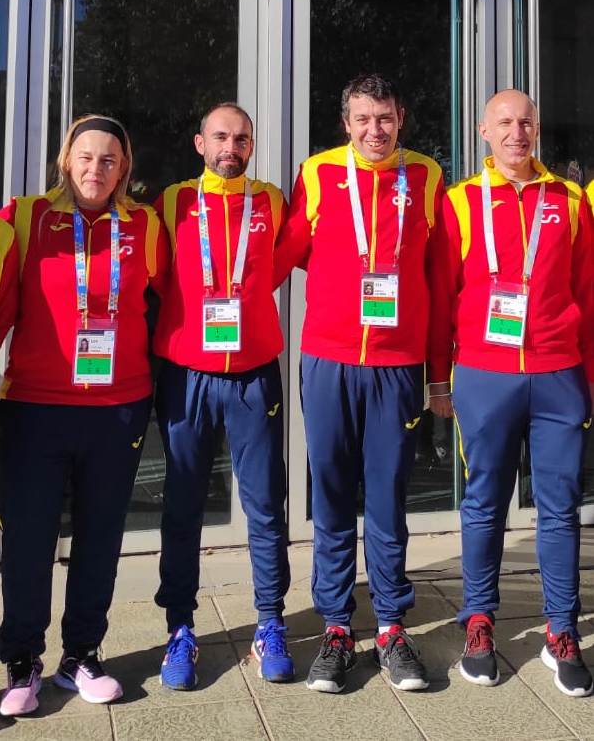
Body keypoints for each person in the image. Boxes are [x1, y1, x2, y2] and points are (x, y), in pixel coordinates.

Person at [273, 73, 444, 693]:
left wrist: (440, 373)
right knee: (334, 495)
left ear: (402, 118)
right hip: (328, 360)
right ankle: (338, 628)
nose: (375, 130)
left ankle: (394, 626)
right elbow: (282, 252)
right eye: (363, 119)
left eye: (386, 118)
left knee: (389, 495)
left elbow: (441, 275)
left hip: (397, 367)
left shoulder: (427, 176)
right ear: (346, 123)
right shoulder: (317, 173)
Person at [0, 114, 170, 716]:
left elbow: (175, 304)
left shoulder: (145, 225)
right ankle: (22, 662)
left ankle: (83, 655)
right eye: (86, 157)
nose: (96, 169)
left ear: (124, 169)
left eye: (110, 160)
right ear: (65, 160)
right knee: (27, 540)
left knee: (100, 537)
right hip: (34, 409)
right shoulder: (24, 217)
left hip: (117, 411)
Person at [429, 89, 594, 698]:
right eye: (505, 122)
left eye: (526, 123)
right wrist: (439, 378)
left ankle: (561, 629)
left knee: (560, 507)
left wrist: (590, 382)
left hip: (558, 375)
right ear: (483, 132)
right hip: (485, 375)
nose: (517, 133)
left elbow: (590, 294)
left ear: (538, 130)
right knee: (484, 502)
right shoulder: (459, 203)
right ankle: (479, 621)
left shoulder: (570, 201)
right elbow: (441, 296)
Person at [152, 102, 293, 689]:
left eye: (241, 138)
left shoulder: (274, 202)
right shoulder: (171, 201)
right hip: (186, 373)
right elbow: (154, 276)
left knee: (264, 503)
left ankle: (270, 622)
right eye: (220, 137)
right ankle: (180, 628)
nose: (230, 146)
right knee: (183, 505)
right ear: (199, 142)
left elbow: (284, 264)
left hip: (254, 372)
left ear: (252, 147)